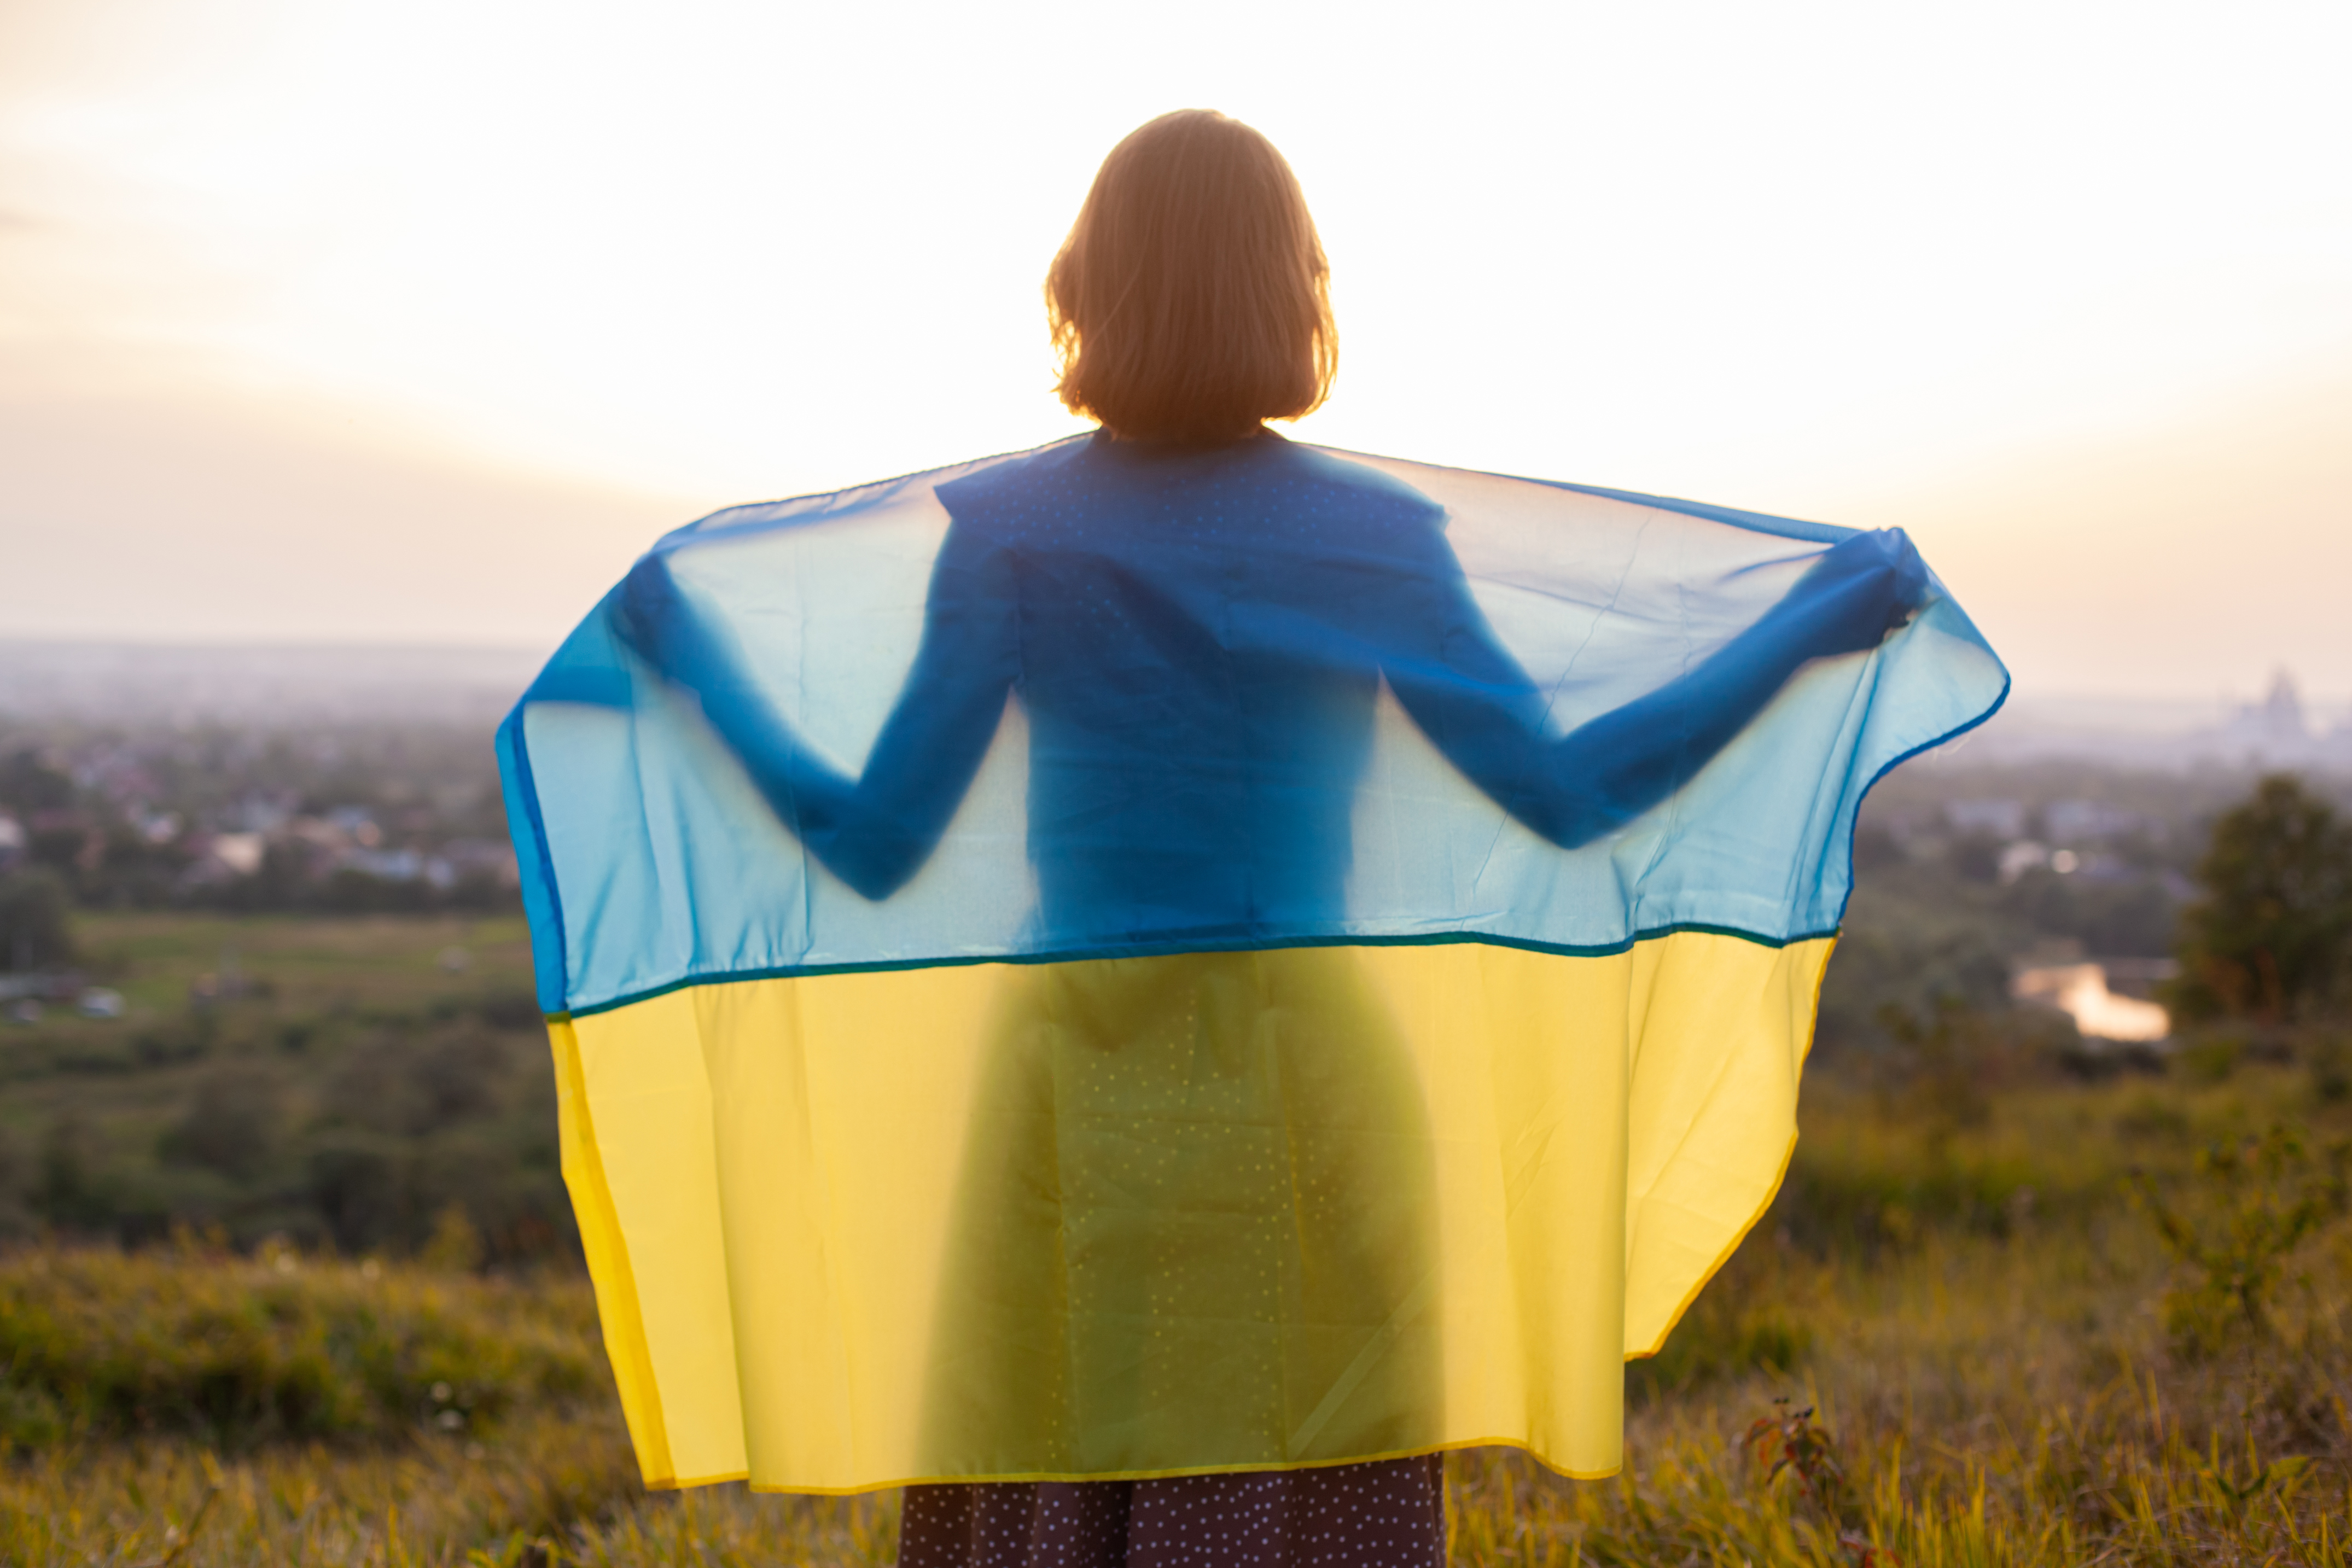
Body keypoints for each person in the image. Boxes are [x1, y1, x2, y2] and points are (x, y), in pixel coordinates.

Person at [618, 108, 1925, 1568]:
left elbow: (869, 845)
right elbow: (1567, 796)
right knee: (1302, 1479)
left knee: (1054, 1478)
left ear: (1084, 285)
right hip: (1301, 1081)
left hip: (1073, 1084)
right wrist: (1804, 626)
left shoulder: (1006, 533)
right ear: (1292, 290)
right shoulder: (1369, 533)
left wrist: (692, 662)